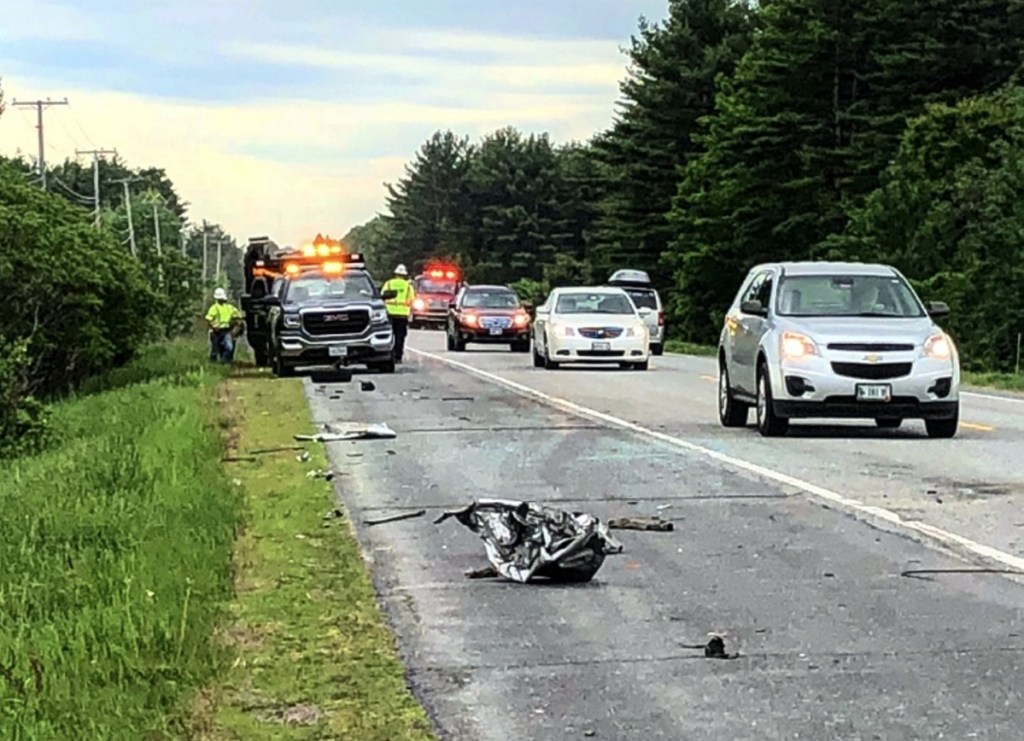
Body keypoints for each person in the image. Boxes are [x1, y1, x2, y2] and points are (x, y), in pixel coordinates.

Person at [381, 264, 415, 362]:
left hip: (389, 314)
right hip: (402, 315)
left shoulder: (388, 284)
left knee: (389, 335)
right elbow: (411, 300)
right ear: (404, 275)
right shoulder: (408, 287)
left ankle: (389, 354)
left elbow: (382, 296)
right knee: (400, 336)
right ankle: (398, 356)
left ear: (396, 274)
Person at [206, 287, 242, 363]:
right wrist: (214, 327)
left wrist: (236, 325)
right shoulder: (214, 308)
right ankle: (214, 364)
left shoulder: (229, 308)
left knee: (229, 347)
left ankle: (223, 361)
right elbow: (209, 320)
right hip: (215, 332)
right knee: (215, 350)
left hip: (226, 331)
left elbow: (238, 317)